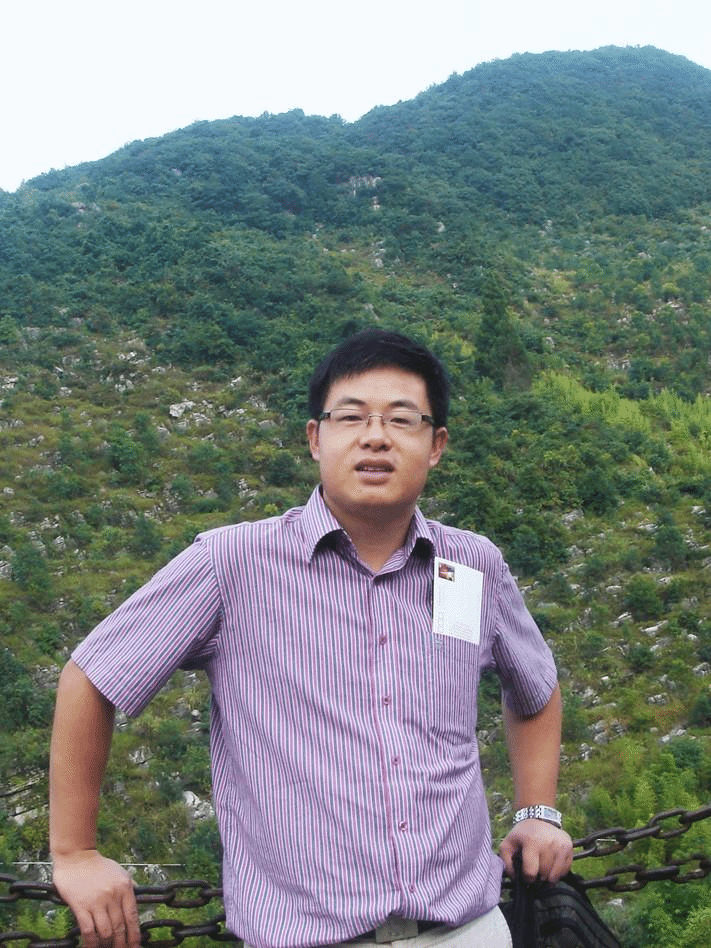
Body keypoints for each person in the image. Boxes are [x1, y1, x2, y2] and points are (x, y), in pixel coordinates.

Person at [50, 328, 573, 948]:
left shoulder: (472, 564)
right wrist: (76, 851)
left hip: (468, 929)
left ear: (436, 445)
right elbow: (94, 676)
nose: (375, 436)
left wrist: (537, 812)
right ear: (315, 438)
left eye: (402, 419)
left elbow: (535, 688)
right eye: (351, 417)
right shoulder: (231, 563)